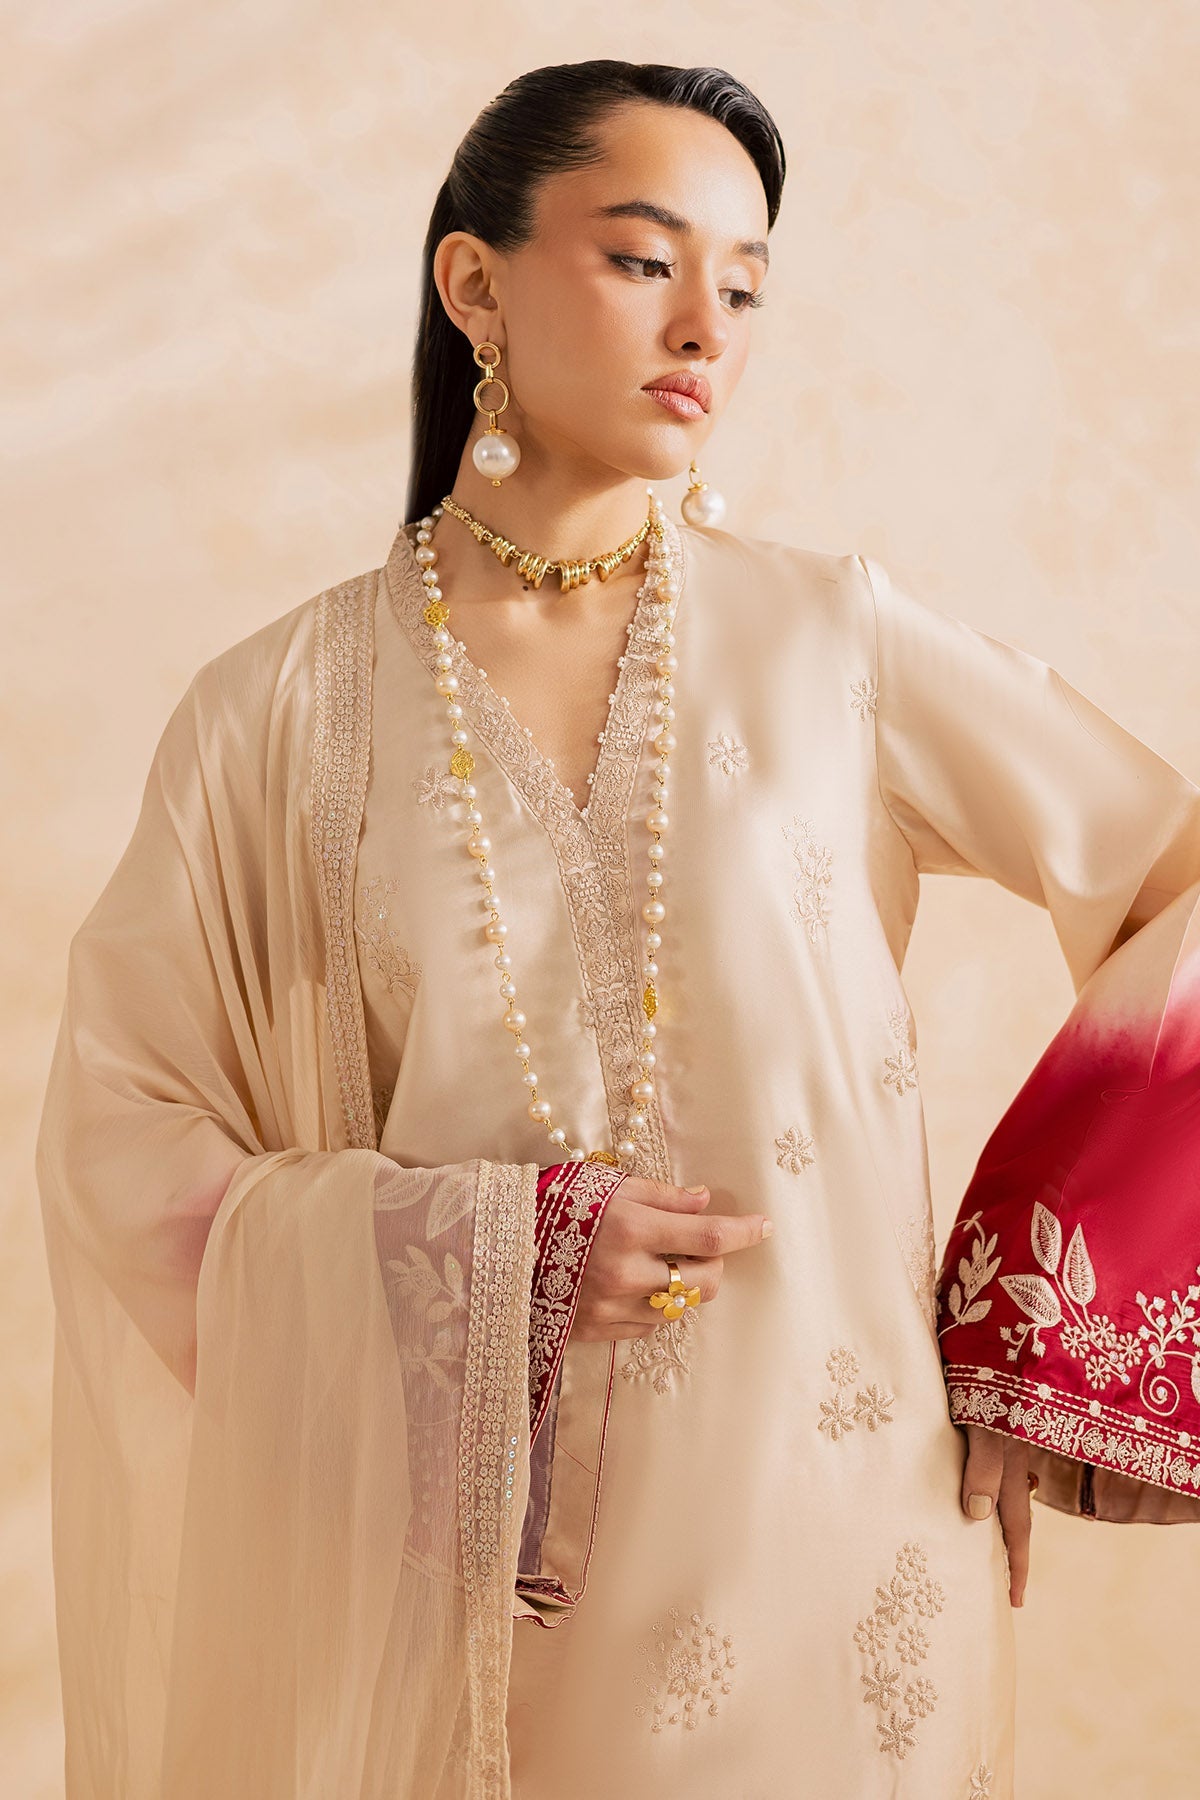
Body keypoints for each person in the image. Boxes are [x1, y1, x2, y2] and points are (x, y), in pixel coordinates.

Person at [34, 58, 1200, 1800]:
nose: (705, 327)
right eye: (646, 261)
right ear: (475, 282)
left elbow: (1176, 877)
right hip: (474, 1603)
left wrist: (1037, 1325)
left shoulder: (832, 644)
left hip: (848, 1558)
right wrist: (482, 1260)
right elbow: (119, 1140)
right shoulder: (276, 714)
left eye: (745, 284)